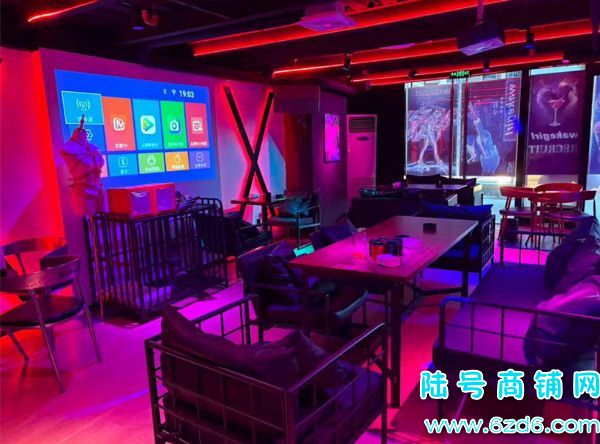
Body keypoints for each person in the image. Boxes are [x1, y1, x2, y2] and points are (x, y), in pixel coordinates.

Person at [60, 116, 105, 216]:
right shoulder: (69, 149)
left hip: (99, 193)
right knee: (88, 223)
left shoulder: (93, 148)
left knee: (101, 223)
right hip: (83, 196)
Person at [468, 101, 500, 175]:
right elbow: (484, 140)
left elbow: (482, 134)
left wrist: (475, 119)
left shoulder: (484, 135)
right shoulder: (493, 163)